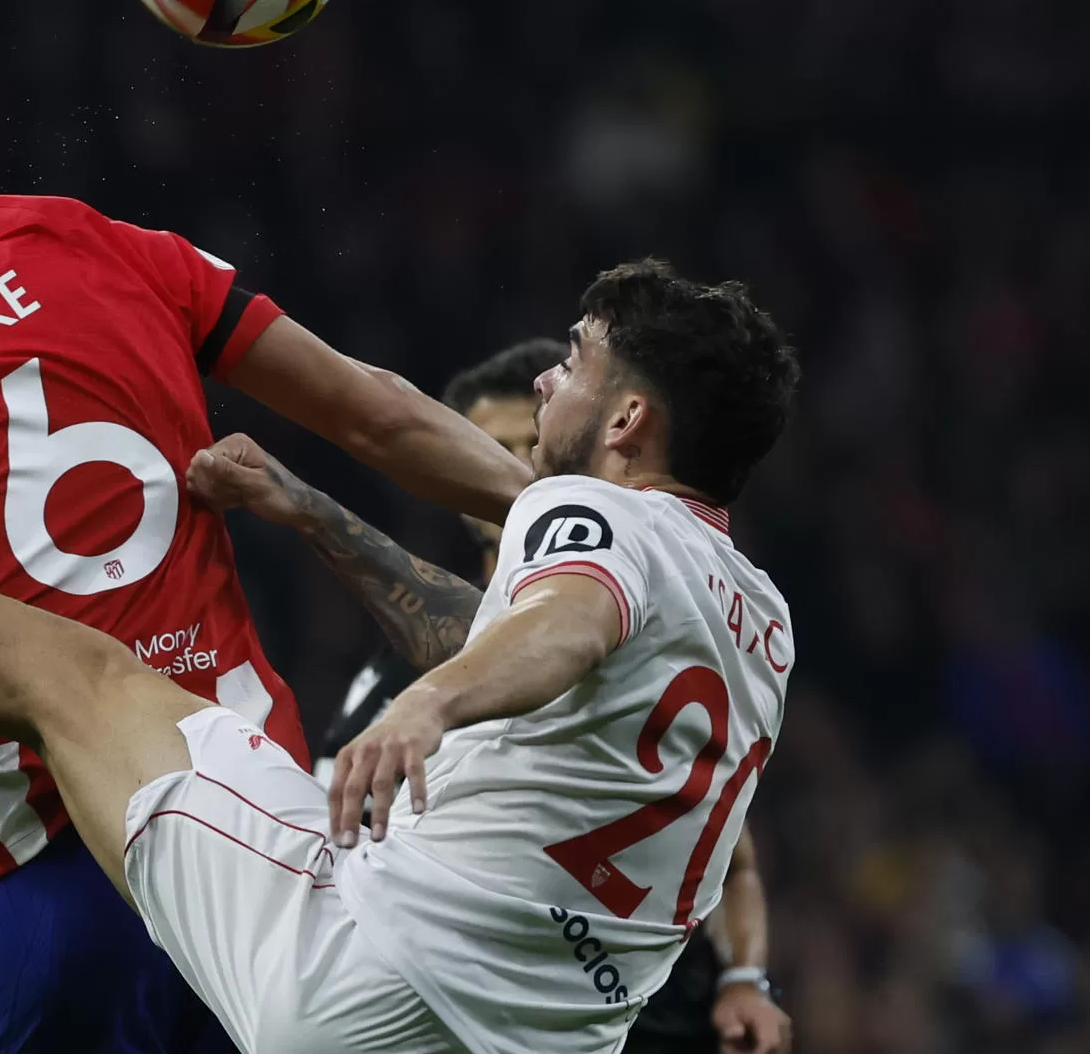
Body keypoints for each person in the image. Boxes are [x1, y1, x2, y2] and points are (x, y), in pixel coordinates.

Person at [0, 245, 800, 1053]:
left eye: (577, 360)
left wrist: (430, 704)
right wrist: (321, 514)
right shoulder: (759, 614)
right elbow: (561, 621)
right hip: (531, 1036)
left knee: (67, 669)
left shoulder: (586, 525)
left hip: (364, 975)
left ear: (630, 419)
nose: (549, 371)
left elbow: (563, 620)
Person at [0, 116, 532, 1052]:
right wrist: (583, 521)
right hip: (263, 828)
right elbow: (376, 413)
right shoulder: (73, 233)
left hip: (50, 871)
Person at [222, 337, 790, 1054]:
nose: (520, 464)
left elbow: (735, 859)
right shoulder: (413, 675)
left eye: (530, 439)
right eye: (494, 446)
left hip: (638, 1019)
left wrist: (745, 976)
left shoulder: (617, 628)